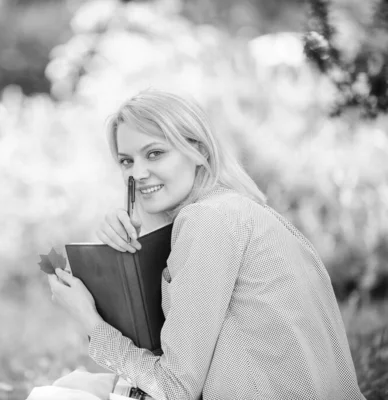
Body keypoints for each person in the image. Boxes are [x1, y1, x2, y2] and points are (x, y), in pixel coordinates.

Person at [47, 89, 365, 399]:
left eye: (155, 153)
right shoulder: (236, 211)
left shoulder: (208, 221)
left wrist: (89, 319)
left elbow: (173, 389)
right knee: (80, 388)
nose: (138, 173)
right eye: (126, 161)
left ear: (198, 150)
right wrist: (140, 231)